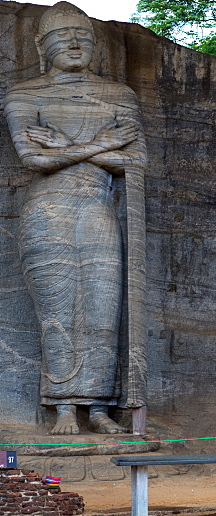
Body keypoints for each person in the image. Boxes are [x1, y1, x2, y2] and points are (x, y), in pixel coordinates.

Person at [3, 2, 147, 434]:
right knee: (58, 309)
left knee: (104, 309)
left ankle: (99, 407)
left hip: (98, 209)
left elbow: (137, 162)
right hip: (48, 211)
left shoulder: (119, 95)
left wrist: (63, 147)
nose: (73, 43)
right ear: (42, 47)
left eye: (83, 37)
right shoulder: (24, 95)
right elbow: (32, 159)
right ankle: (63, 405)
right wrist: (102, 145)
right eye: (62, 38)